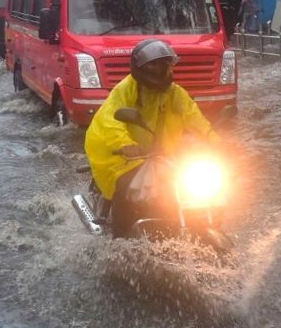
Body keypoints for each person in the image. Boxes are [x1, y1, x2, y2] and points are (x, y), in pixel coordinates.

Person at [84, 39, 219, 237]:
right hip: (121, 156)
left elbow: (193, 116)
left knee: (188, 185)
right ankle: (120, 241)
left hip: (159, 155)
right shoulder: (125, 90)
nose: (158, 69)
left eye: (163, 64)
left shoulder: (174, 93)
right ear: (140, 67)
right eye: (152, 65)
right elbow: (110, 120)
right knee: (124, 188)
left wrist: (214, 139)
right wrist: (125, 144)